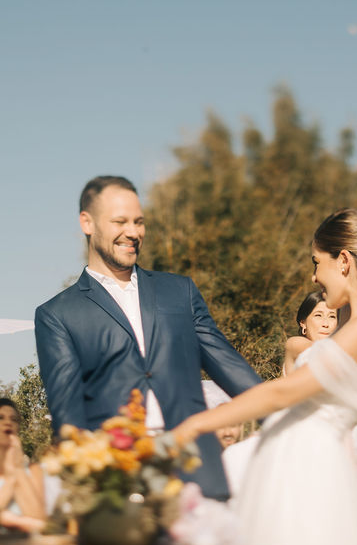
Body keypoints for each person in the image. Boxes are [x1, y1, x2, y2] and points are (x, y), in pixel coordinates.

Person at [172, 209, 357, 545]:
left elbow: (283, 392)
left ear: (343, 261)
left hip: (307, 465)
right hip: (302, 457)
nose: (313, 277)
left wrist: (195, 424)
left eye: (316, 262)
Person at [34, 175, 262, 500]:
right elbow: (69, 421)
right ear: (87, 222)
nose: (133, 232)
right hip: (118, 484)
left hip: (197, 473)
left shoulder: (180, 291)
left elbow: (231, 368)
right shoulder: (56, 315)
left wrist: (289, 417)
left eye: (139, 222)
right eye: (120, 221)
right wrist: (89, 494)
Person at [283, 291, 339, 375]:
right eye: (318, 315)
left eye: (332, 316)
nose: (325, 324)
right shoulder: (294, 344)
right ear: (303, 323)